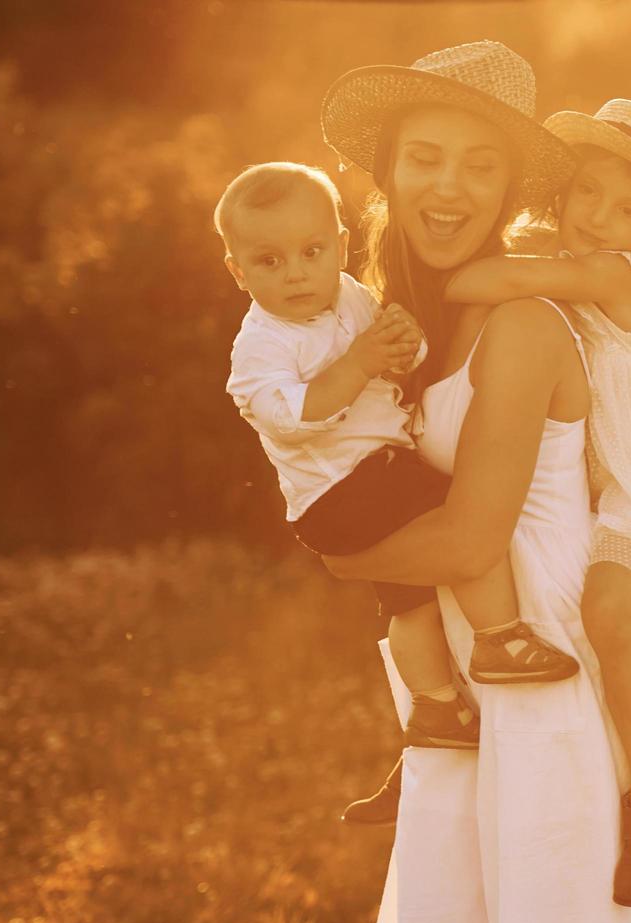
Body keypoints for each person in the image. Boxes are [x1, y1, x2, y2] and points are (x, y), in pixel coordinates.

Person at [318, 40, 631, 923]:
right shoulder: (401, 325)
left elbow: (468, 540)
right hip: (470, 687)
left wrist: (339, 553)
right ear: (387, 173)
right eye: (425, 158)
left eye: (481, 164)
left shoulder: (526, 322)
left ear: (510, 192)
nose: (449, 187)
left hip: (555, 675)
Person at [442, 98, 631, 906]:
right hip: (613, 485)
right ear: (563, 192)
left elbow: (492, 276)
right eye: (588, 194)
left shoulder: (618, 274)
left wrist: (446, 270)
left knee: (611, 613)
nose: (601, 219)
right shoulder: (578, 261)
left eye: (628, 210)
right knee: (593, 609)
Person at [216, 162, 580, 786]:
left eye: (312, 250)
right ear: (237, 270)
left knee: (410, 603)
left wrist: (402, 342)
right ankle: (499, 638)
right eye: (270, 261)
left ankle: (435, 705)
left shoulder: (353, 296)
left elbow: (396, 360)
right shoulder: (262, 344)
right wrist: (358, 366)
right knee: (452, 504)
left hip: (368, 477)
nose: (297, 272)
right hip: (342, 489)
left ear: (342, 243)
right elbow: (286, 417)